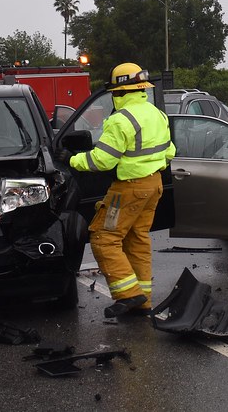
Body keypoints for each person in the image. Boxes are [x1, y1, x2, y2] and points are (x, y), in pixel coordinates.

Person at [68, 63, 175, 318]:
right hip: (154, 185)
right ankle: (143, 301)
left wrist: (72, 160)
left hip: (128, 190)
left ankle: (127, 295)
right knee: (137, 240)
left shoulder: (120, 120)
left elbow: (102, 160)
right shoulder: (157, 114)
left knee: (103, 238)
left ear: (120, 92)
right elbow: (169, 152)